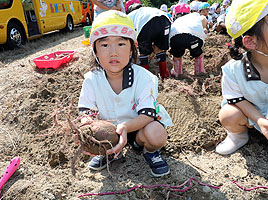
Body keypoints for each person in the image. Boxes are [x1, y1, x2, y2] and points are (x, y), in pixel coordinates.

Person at [78, 10, 173, 177]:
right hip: (109, 131)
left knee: (156, 134)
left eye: (121, 44)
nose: (113, 52)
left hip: (138, 127)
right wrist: (86, 128)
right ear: (95, 51)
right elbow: (86, 112)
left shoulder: (145, 78)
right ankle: (110, 151)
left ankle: (147, 150)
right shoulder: (91, 80)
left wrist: (125, 127)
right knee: (93, 130)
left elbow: (147, 114)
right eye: (104, 45)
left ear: (131, 50)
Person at [215, 0, 268, 155]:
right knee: (228, 115)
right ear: (251, 41)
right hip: (250, 113)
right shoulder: (233, 71)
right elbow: (236, 99)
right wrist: (260, 120)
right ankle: (238, 136)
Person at [127, 4, 172, 79]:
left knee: (143, 52)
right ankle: (164, 75)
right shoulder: (149, 9)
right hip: (165, 20)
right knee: (159, 49)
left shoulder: (131, 15)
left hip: (147, 23)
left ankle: (146, 77)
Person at [169, 3, 207, 77]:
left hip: (176, 38)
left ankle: (177, 72)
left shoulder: (176, 21)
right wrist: (204, 27)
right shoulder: (194, 15)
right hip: (195, 37)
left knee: (177, 55)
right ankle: (199, 71)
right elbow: (203, 18)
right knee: (198, 54)